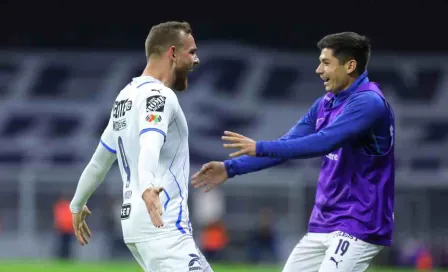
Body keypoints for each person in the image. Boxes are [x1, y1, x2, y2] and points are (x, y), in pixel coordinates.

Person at [192, 32, 395, 272]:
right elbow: (287, 145)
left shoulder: (368, 102)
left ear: (350, 65)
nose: (319, 70)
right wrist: (231, 168)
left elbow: (323, 142)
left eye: (326, 63)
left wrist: (259, 147)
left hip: (359, 222)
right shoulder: (325, 104)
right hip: (324, 222)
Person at [70, 21, 213, 272]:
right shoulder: (161, 96)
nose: (196, 60)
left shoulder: (124, 98)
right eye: (191, 52)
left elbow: (99, 162)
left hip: (135, 225)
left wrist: (77, 205)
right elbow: (150, 142)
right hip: (163, 223)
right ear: (172, 53)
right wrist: (148, 188)